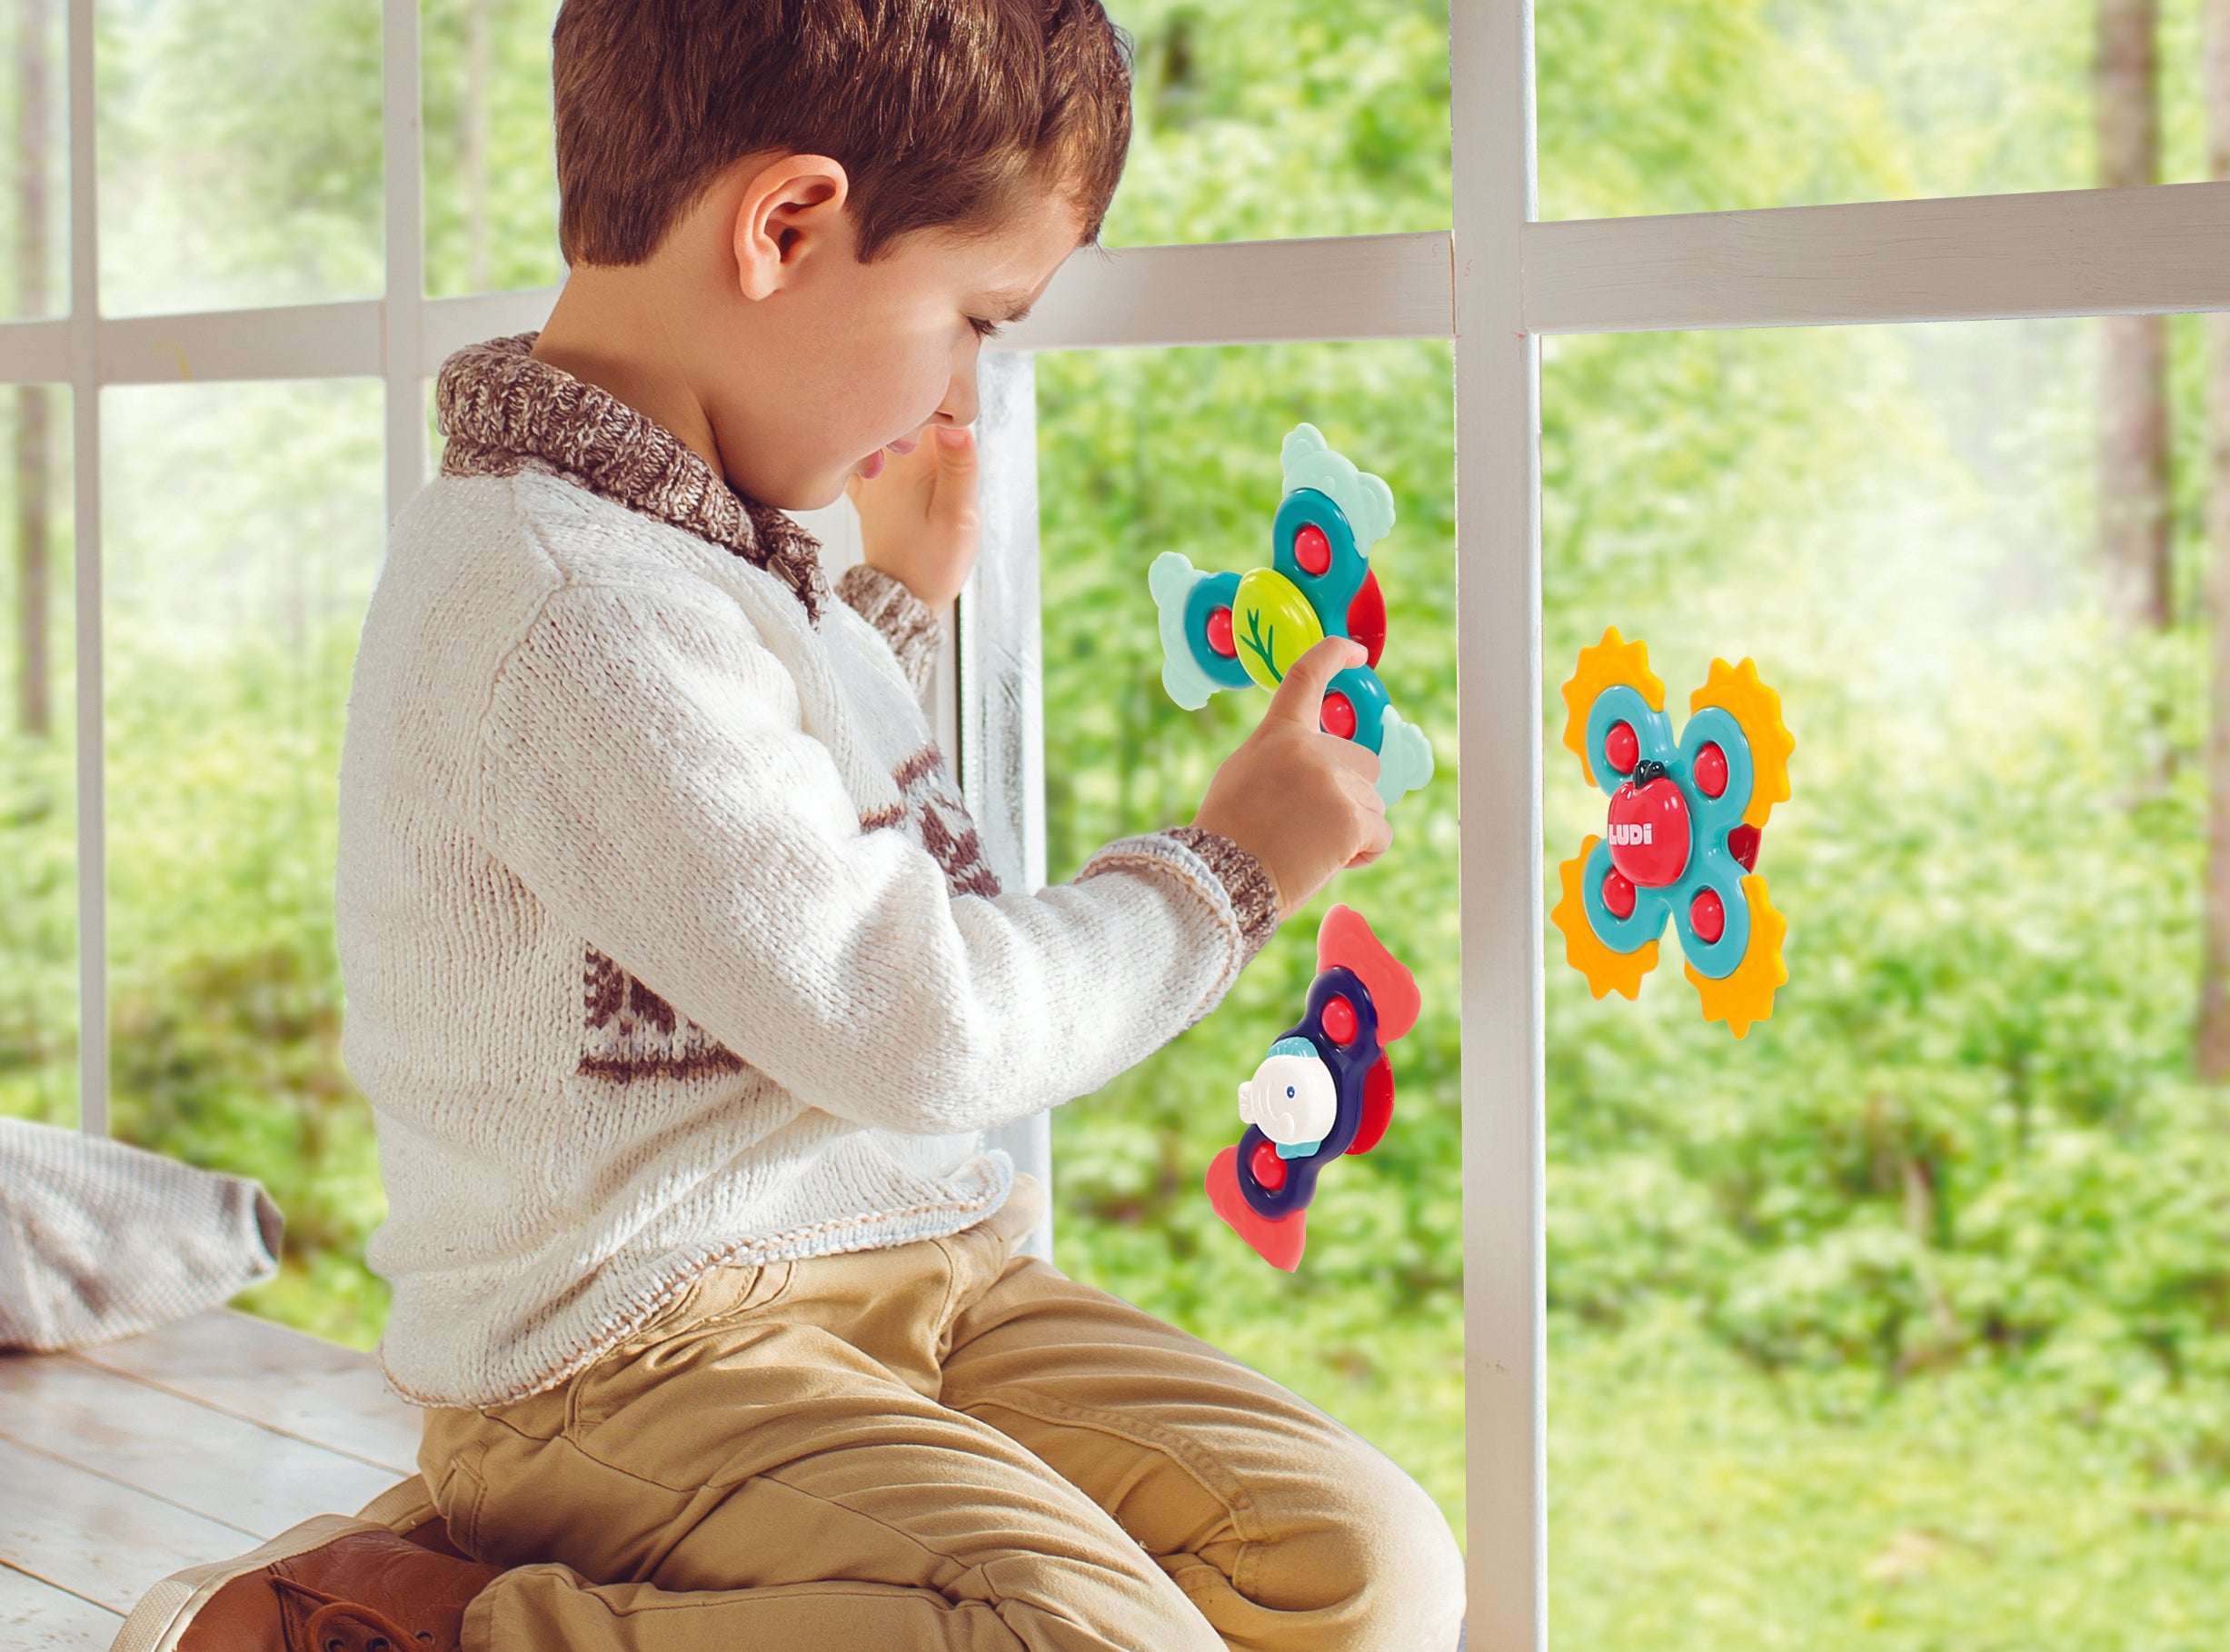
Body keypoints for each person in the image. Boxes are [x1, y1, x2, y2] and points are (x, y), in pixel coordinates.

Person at [140, 0, 1464, 1647]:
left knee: (1359, 1561)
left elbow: (760, 839)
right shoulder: (562, 597)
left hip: (917, 1266)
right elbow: (914, 1018)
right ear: (787, 227)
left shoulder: (708, 548)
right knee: (1096, 1637)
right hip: (625, 1348)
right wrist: (1223, 873)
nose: (971, 376)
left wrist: (888, 608)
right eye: (976, 315)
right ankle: (437, 1630)